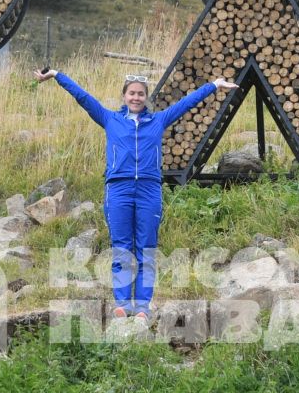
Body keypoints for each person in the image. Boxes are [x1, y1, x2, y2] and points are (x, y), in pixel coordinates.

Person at [37, 66, 237, 318]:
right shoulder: (110, 119)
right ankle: (122, 304)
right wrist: (57, 75)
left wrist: (214, 85)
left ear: (146, 98)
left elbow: (186, 104)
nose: (136, 98)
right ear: (124, 96)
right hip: (118, 189)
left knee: (146, 248)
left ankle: (142, 306)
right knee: (121, 247)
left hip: (149, 190)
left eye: (140, 94)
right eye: (131, 93)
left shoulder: (159, 120)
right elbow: (84, 98)